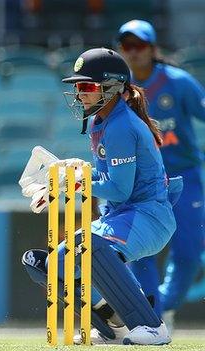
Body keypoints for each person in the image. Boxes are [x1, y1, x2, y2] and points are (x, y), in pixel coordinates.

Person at [20, 48, 182, 345]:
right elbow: (103, 178)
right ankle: (114, 326)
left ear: (112, 87)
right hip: (122, 215)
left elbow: (120, 189)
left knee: (88, 244)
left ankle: (151, 326)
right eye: (78, 87)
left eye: (88, 87)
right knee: (49, 265)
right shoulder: (101, 121)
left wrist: (76, 183)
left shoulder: (122, 125)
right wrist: (63, 179)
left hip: (148, 216)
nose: (80, 94)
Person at [117, 19, 205, 330]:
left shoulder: (178, 82)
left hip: (184, 177)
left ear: (153, 49)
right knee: (141, 251)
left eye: (139, 45)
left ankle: (164, 305)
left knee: (189, 253)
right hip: (142, 183)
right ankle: (149, 316)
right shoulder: (117, 87)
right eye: (127, 46)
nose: (134, 52)